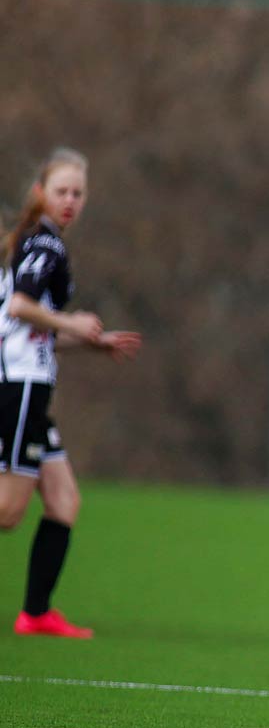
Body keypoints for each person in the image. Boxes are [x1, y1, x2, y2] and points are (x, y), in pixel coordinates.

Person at [3, 148, 142, 638]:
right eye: (61, 191)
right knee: (8, 511)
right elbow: (20, 306)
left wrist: (88, 341)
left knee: (63, 500)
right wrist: (72, 320)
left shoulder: (35, 241)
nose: (70, 201)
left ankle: (36, 613)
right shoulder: (46, 245)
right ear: (40, 192)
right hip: (20, 388)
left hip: (32, 384)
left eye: (78, 194)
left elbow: (25, 326)